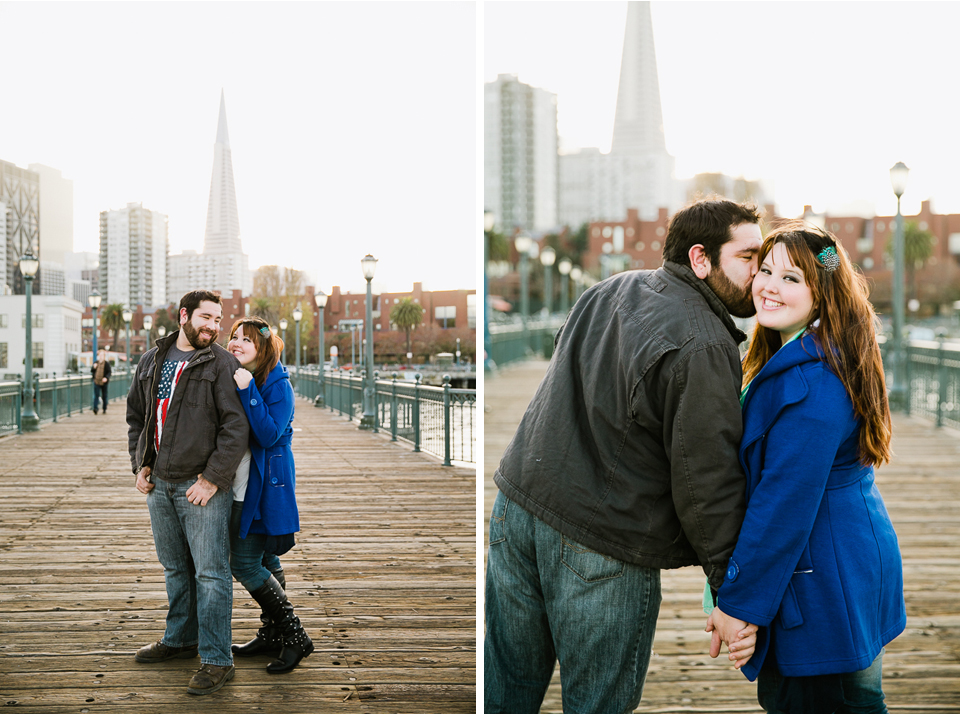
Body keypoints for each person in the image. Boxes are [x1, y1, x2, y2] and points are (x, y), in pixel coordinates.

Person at [485, 198, 764, 714]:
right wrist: (734, 593)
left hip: (516, 510)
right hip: (602, 542)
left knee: (503, 692)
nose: (760, 272)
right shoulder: (704, 342)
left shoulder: (609, 290)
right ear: (701, 258)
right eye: (749, 257)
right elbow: (706, 481)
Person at [707, 223, 906, 713]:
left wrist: (738, 604)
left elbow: (783, 504)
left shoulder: (812, 383)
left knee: (818, 700)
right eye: (765, 271)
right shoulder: (813, 353)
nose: (769, 286)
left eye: (791, 278)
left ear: (823, 292)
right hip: (849, 562)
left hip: (822, 582)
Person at [126, 290, 249, 696]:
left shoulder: (221, 363)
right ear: (184, 316)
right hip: (159, 484)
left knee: (212, 574)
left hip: (201, 487)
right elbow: (138, 418)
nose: (214, 326)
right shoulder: (152, 359)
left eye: (218, 319)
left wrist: (212, 478)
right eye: (207, 318)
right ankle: (180, 639)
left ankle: (216, 659)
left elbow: (236, 428)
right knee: (176, 568)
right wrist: (141, 465)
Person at [225, 316, 313, 673]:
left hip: (263, 488)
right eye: (234, 337)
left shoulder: (278, 386)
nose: (236, 344)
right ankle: (273, 633)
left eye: (246, 340)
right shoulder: (242, 375)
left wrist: (248, 392)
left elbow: (268, 435)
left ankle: (296, 635)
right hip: (241, 482)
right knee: (265, 561)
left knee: (244, 563)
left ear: (261, 348)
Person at [91, 349, 112, 414]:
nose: (101, 356)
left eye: (102, 355)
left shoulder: (106, 364)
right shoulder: (96, 363)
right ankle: (95, 408)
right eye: (100, 355)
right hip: (97, 381)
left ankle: (104, 408)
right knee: (96, 395)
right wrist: (94, 367)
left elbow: (109, 372)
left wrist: (106, 378)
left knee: (104, 395)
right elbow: (92, 371)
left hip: (104, 382)